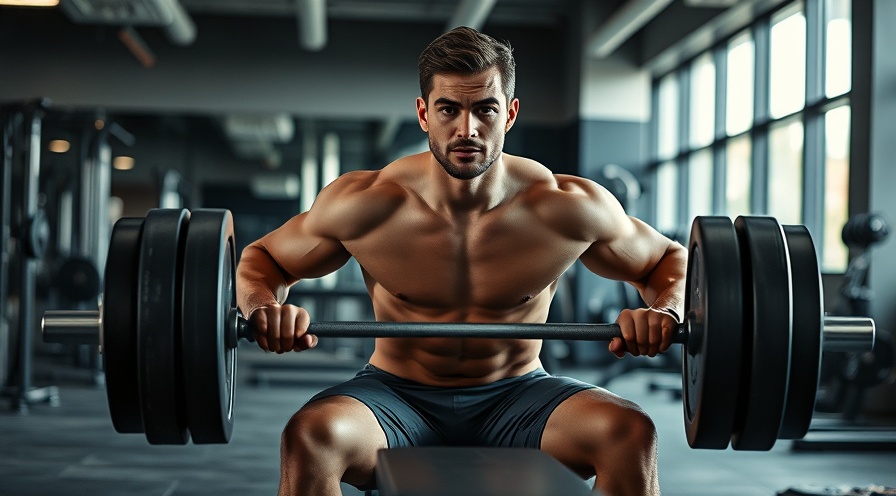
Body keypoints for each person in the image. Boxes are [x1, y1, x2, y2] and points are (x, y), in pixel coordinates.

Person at [236, 26, 687, 496]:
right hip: (396, 395)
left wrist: (665, 311)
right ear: (423, 114)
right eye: (449, 109)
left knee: (630, 433)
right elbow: (262, 258)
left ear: (509, 114)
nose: (466, 129)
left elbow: (668, 261)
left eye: (484, 109)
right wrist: (264, 307)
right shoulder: (368, 204)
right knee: (311, 436)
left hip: (518, 394)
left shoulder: (565, 208)